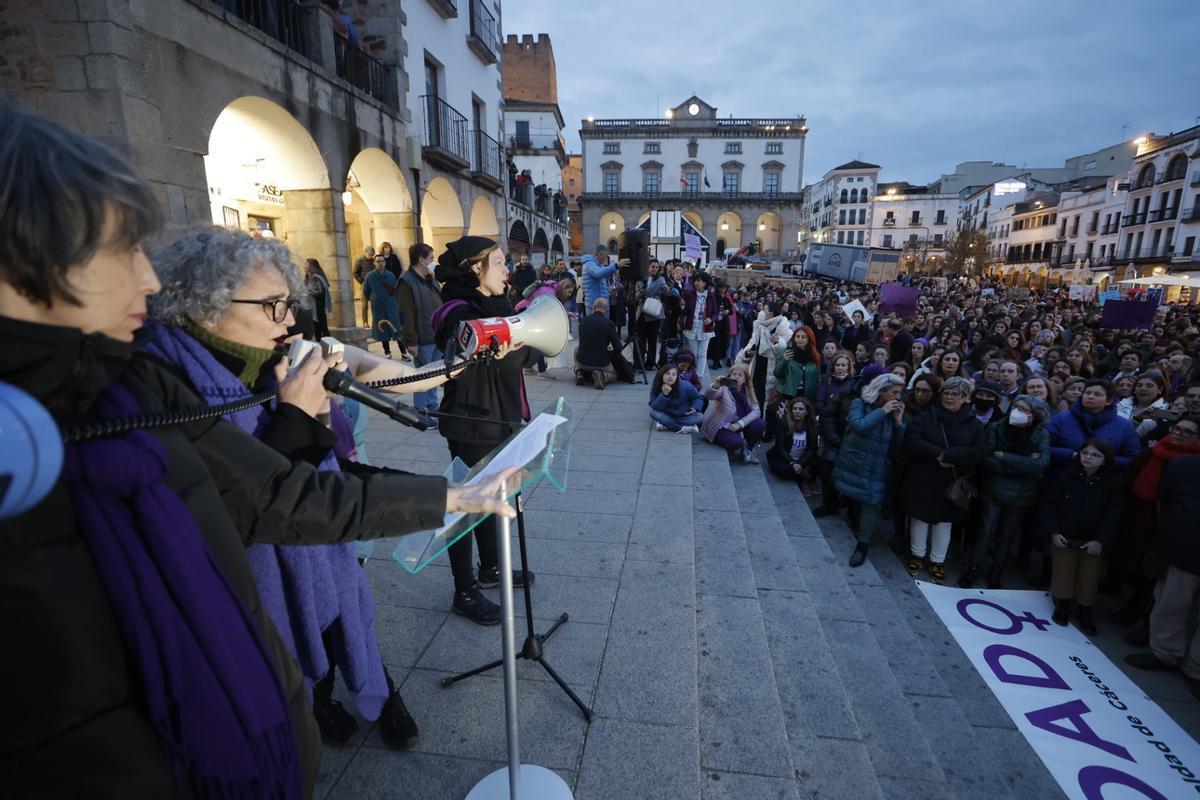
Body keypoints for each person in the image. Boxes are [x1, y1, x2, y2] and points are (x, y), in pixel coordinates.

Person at [0, 104, 513, 796]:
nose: (145, 282)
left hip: (271, 648)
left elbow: (292, 473)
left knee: (340, 625)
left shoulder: (135, 381)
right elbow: (258, 501)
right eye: (118, 251)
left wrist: (447, 469)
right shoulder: (153, 382)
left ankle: (358, 693)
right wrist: (299, 419)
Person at [144, 227, 455, 749]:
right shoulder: (172, 387)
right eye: (273, 306)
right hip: (254, 583)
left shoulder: (266, 358)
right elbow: (261, 500)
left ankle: (373, 690)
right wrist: (296, 413)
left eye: (289, 304)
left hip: (324, 526)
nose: (289, 321)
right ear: (203, 307)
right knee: (298, 636)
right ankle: (319, 701)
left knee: (343, 607)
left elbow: (318, 464)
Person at [432, 236, 542, 625]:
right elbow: (507, 357)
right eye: (498, 262)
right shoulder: (456, 311)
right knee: (463, 505)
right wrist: (517, 341)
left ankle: (492, 567)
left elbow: (526, 352)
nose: (506, 270)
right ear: (475, 269)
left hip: (500, 417)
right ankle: (464, 591)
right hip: (472, 422)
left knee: (493, 495)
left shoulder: (497, 306)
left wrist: (520, 341)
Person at [1123, 452, 1200, 700]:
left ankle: (1196, 670)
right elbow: (1163, 504)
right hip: (1184, 550)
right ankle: (1165, 654)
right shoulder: (1184, 466)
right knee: (1170, 604)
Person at [901, 376, 987, 584]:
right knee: (920, 518)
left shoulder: (975, 424)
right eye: (947, 393)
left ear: (965, 398)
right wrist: (938, 454)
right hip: (924, 476)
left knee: (944, 522)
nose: (949, 397)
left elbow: (980, 451)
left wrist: (950, 456)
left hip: (951, 481)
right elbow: (913, 439)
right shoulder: (927, 416)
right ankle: (917, 555)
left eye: (955, 394)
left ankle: (937, 561)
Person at [960, 395, 1051, 589]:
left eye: (1024, 410)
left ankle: (996, 570)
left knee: (1006, 535)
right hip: (994, 489)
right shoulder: (996, 428)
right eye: (1016, 407)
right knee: (985, 531)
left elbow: (1041, 464)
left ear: (1034, 416)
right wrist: (1025, 462)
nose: (1017, 412)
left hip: (1022, 495)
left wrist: (1005, 457)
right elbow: (987, 460)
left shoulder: (1042, 434)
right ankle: (973, 567)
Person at [1041, 440, 1123, 635]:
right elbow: (1049, 506)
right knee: (1064, 572)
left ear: (1105, 461)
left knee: (1089, 577)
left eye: (1095, 455)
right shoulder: (1065, 478)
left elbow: (1113, 515)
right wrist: (1053, 531)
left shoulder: (1112, 485)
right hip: (1065, 535)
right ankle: (1063, 605)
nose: (1088, 457)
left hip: (1093, 540)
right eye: (1085, 453)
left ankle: (1085, 610)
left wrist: (1101, 540)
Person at [833, 373, 907, 567]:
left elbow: (899, 446)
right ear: (881, 391)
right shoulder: (860, 403)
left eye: (900, 393)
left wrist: (899, 423)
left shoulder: (894, 411)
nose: (898, 397)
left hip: (878, 467)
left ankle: (863, 545)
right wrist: (882, 411)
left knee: (871, 503)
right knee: (855, 498)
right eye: (894, 392)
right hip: (856, 462)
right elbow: (859, 425)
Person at [1043, 378, 1142, 470]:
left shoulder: (1124, 426)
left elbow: (1133, 457)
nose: (1090, 396)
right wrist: (1071, 455)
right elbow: (1044, 448)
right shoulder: (1061, 419)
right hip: (1062, 475)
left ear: (1109, 401)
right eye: (1087, 393)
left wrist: (1104, 460)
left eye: (1097, 394)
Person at [397, 242, 444, 417]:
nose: (433, 261)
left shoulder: (430, 279)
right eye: (431, 258)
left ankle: (432, 407)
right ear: (421, 260)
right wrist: (411, 341)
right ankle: (420, 412)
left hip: (435, 335)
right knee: (423, 376)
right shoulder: (406, 281)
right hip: (422, 338)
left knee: (434, 375)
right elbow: (405, 313)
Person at [701, 364, 764, 464]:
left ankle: (748, 451)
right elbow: (709, 396)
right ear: (729, 377)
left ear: (745, 380)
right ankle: (736, 444)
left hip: (737, 424)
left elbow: (756, 410)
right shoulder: (724, 388)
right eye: (734, 374)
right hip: (721, 426)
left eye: (740, 375)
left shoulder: (747, 391)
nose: (736, 376)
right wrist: (716, 385)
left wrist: (740, 424)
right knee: (735, 442)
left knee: (759, 424)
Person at [766, 396, 820, 494]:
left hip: (802, 459)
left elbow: (812, 448)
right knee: (784, 470)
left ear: (807, 412)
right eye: (794, 408)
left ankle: (802, 474)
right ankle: (803, 480)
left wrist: (801, 463)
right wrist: (793, 463)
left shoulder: (812, 426)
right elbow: (780, 446)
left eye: (801, 409)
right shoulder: (783, 423)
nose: (797, 411)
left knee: (819, 463)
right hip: (784, 459)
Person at [576, 297, 632, 389]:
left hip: (582, 361)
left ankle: (580, 372)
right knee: (614, 374)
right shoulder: (608, 324)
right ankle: (603, 376)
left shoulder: (583, 321)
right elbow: (618, 347)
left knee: (576, 349)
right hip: (600, 362)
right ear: (606, 309)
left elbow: (583, 341)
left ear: (593, 308)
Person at [362, 252, 403, 358]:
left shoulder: (391, 275)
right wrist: (374, 298)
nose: (381, 263)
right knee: (382, 330)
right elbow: (366, 292)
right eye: (378, 261)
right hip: (378, 307)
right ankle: (387, 352)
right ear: (374, 263)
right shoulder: (369, 277)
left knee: (397, 329)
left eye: (383, 261)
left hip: (391, 305)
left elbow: (394, 289)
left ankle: (404, 352)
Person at [649, 363, 704, 433]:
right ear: (662, 375)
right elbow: (655, 407)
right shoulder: (657, 387)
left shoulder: (685, 385)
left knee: (700, 417)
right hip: (666, 414)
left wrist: (695, 407)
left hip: (683, 415)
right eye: (667, 374)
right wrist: (664, 395)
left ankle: (667, 425)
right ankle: (681, 428)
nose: (670, 376)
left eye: (673, 374)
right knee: (654, 413)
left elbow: (697, 398)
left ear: (676, 377)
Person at [682, 271, 718, 378]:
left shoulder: (711, 296)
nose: (698, 283)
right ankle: (693, 372)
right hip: (692, 327)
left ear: (705, 283)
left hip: (705, 328)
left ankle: (699, 375)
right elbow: (685, 311)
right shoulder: (689, 294)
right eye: (696, 281)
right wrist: (682, 306)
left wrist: (711, 319)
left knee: (702, 354)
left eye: (700, 281)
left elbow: (715, 312)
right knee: (693, 353)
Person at [774, 325, 821, 403]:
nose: (800, 339)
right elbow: (777, 374)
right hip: (787, 395)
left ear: (809, 339)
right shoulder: (785, 352)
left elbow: (817, 380)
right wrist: (784, 361)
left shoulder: (814, 356)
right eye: (797, 336)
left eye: (803, 337)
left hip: (807, 396)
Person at [581, 244, 619, 310]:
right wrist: (616, 265)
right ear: (600, 254)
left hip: (599, 304)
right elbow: (598, 273)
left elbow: (599, 285)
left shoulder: (597, 265)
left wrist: (608, 290)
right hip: (595, 305)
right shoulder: (589, 264)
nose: (607, 259)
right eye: (606, 256)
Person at [303, 257, 332, 339]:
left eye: (306, 264)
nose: (304, 266)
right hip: (313, 306)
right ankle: (321, 346)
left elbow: (319, 292)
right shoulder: (309, 277)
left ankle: (330, 346)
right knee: (317, 328)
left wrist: (306, 292)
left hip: (317, 306)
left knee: (322, 328)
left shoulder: (316, 278)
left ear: (311, 266)